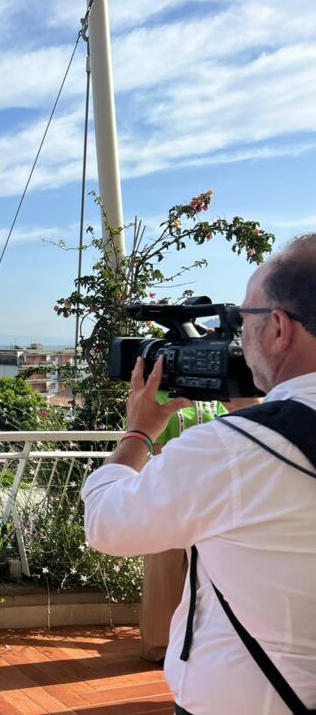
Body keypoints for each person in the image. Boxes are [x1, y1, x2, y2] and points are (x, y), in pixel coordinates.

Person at [82, 235, 316, 714]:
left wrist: (138, 433)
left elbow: (106, 524)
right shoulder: (248, 445)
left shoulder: (229, 450)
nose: (236, 336)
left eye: (242, 319)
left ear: (277, 328)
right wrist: (255, 409)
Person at [139, 394, 227, 662]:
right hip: (167, 495)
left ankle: (203, 645)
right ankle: (159, 647)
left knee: (209, 574)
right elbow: (153, 447)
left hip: (210, 497)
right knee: (164, 571)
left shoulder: (216, 398)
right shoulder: (156, 396)